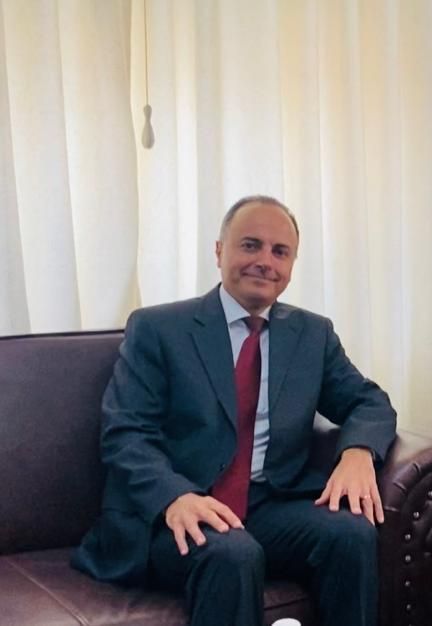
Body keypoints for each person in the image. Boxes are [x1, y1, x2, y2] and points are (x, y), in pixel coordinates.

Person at [72, 195, 397, 626]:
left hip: (266, 504)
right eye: (250, 245)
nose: (265, 261)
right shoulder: (158, 329)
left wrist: (358, 452)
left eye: (280, 251)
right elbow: (125, 433)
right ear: (219, 251)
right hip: (173, 511)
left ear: (291, 265)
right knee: (232, 553)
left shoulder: (312, 335)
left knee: (352, 534)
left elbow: (369, 401)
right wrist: (173, 496)